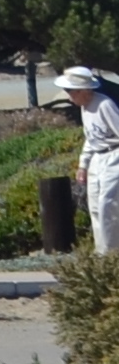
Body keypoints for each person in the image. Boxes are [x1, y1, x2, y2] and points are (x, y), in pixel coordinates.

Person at [62, 65, 119, 255]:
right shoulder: (84, 107)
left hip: (114, 156)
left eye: (70, 91)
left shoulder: (104, 105)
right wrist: (83, 164)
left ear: (83, 91)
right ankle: (101, 252)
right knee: (94, 206)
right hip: (97, 158)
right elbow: (91, 137)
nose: (68, 96)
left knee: (107, 206)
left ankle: (111, 254)